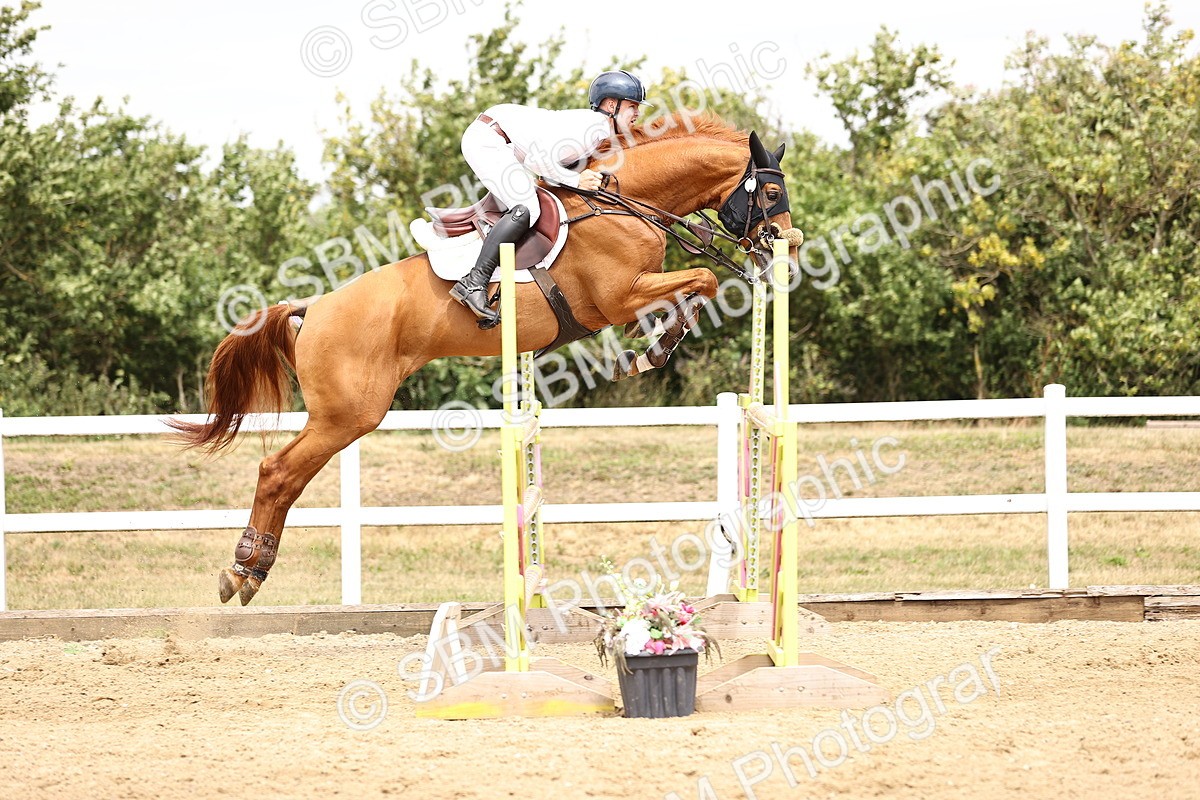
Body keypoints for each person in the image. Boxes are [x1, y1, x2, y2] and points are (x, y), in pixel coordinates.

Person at [449, 70, 650, 328]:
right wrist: (577, 181)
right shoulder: (591, 129)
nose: (637, 114)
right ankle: (473, 282)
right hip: (489, 140)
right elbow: (537, 160)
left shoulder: (601, 134)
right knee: (527, 209)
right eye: (633, 106)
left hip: (506, 143)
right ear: (612, 105)